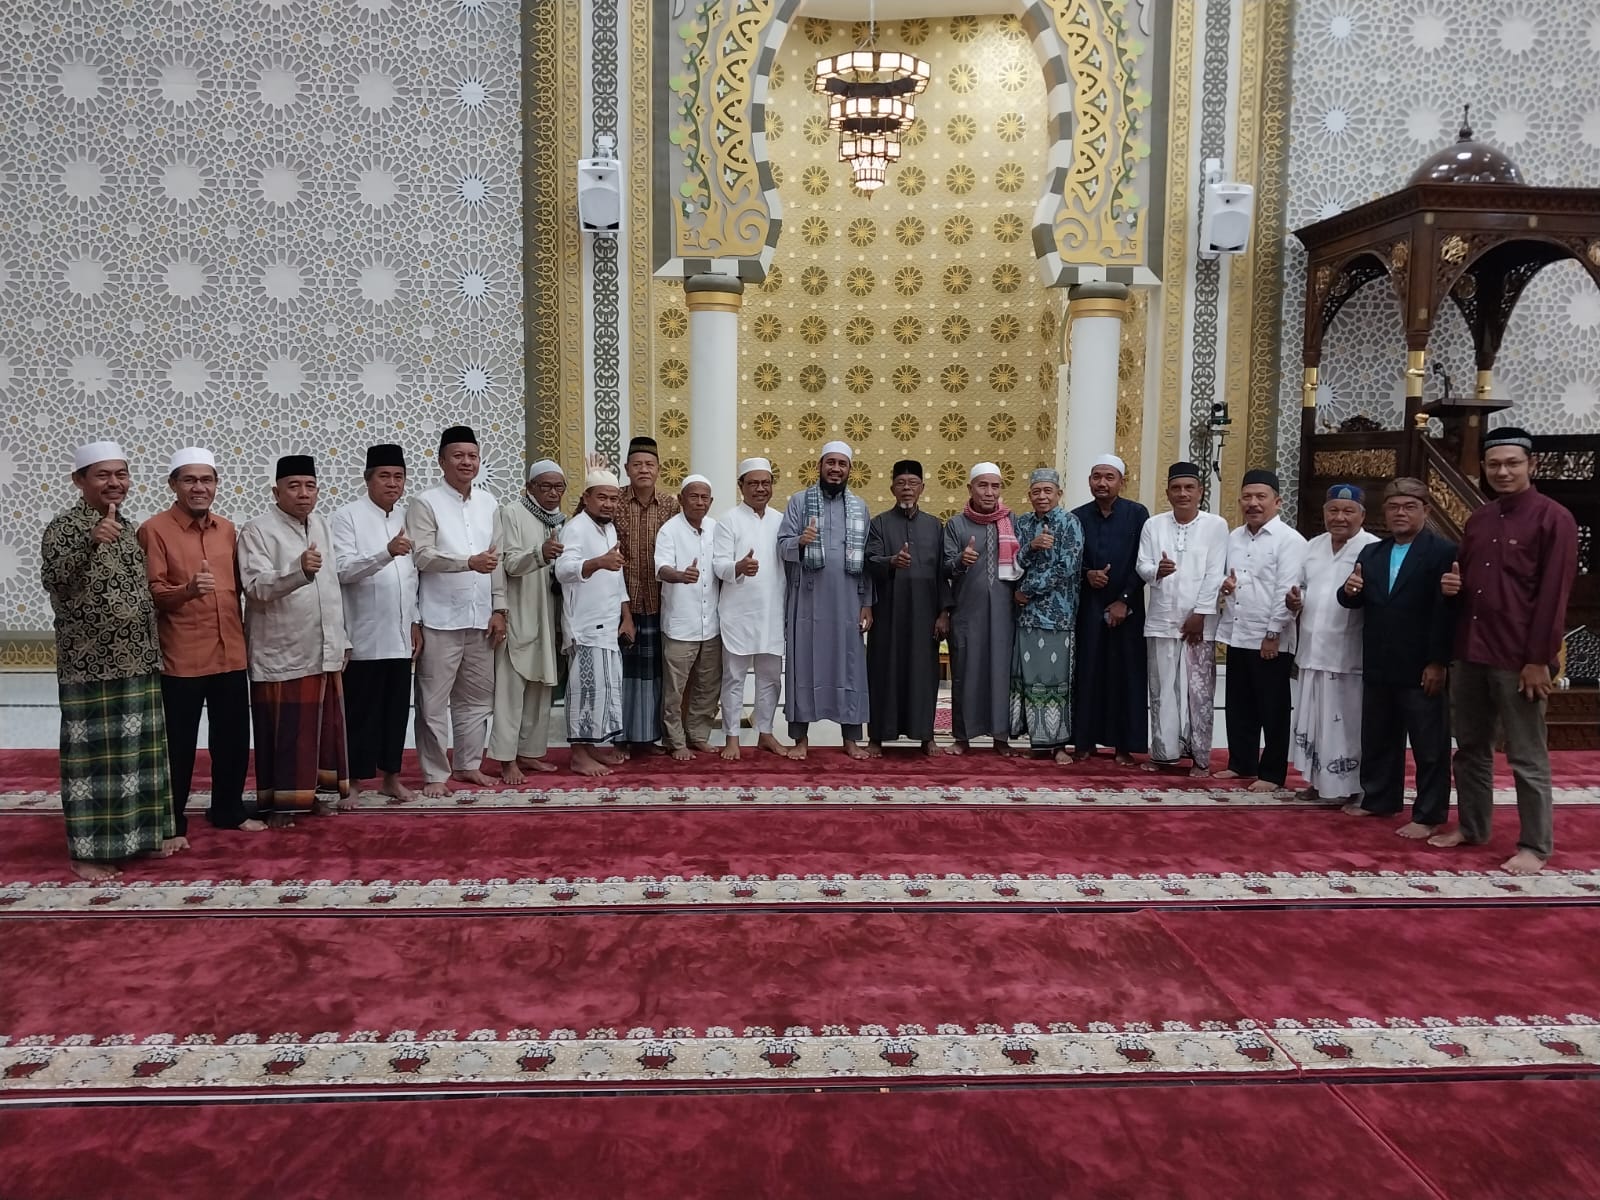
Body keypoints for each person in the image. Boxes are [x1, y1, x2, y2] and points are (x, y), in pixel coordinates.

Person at [1431, 427, 1579, 874]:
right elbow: (1472, 585)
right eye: (1495, 464)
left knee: (1526, 755)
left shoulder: (1554, 519)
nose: (1503, 471)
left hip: (1519, 659)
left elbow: (1554, 596)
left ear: (1531, 466)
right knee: (1470, 747)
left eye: (1512, 463)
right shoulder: (1480, 519)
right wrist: (1452, 589)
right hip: (1471, 651)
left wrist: (1538, 661)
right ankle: (1473, 828)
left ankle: (1535, 846)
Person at [41, 441, 177, 878]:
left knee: (139, 758)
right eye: (103, 475)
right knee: (93, 762)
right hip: (90, 666)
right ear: (80, 481)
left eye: (121, 474)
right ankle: (88, 853)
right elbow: (55, 581)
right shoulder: (65, 528)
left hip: (138, 659)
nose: (114, 483)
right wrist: (87, 542)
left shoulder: (130, 527)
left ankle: (140, 838)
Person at [138, 446, 262, 838]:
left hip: (230, 651)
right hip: (182, 655)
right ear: (173, 484)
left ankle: (227, 810)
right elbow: (152, 593)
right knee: (178, 745)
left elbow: (244, 588)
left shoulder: (227, 529)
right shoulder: (154, 529)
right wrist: (188, 591)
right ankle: (171, 821)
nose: (198, 488)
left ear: (216, 485)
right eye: (189, 480)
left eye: (206, 480)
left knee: (233, 740)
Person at [1336, 477, 1455, 837]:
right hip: (1378, 661)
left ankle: (1429, 815)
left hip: (1421, 665)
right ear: (1384, 512)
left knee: (1428, 744)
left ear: (1425, 511)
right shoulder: (1373, 552)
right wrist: (1349, 591)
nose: (1400, 513)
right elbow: (1354, 599)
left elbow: (1446, 612)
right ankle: (1380, 799)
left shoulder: (1443, 552)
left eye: (1409, 507)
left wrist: (1438, 662)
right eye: (1394, 507)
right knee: (1379, 737)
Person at [237, 455, 351, 823]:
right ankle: (280, 806)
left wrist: (342, 638)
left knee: (315, 732)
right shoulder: (257, 530)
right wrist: (297, 571)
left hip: (322, 646)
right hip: (281, 649)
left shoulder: (321, 524)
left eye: (310, 486)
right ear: (276, 491)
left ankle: (305, 797)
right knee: (284, 733)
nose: (303, 494)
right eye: (294, 486)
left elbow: (331, 586)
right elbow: (255, 587)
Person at [408, 425, 499, 797]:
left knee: (477, 698)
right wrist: (467, 563)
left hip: (480, 617)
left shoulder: (490, 503)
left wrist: (501, 608)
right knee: (432, 702)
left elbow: (499, 560)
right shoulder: (424, 503)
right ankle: (434, 773)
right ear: (442, 460)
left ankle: (468, 765)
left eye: (472, 455)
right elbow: (422, 555)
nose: (467, 462)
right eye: (458, 455)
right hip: (440, 619)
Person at [330, 443, 420, 804]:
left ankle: (391, 778)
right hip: (364, 635)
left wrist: (416, 621)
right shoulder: (346, 516)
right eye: (384, 476)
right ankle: (352, 782)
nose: (392, 484)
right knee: (361, 714)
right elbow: (343, 570)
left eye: (398, 477)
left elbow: (414, 578)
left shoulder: (407, 518)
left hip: (400, 635)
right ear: (368, 479)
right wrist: (385, 552)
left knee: (396, 712)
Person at [777, 441, 875, 760]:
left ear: (849, 470)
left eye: (842, 464)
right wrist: (800, 541)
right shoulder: (799, 501)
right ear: (819, 466)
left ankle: (850, 738)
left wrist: (867, 604)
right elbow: (782, 545)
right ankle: (800, 740)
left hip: (848, 600)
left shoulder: (860, 507)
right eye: (830, 463)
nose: (835, 469)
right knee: (804, 666)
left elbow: (868, 561)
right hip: (808, 600)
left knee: (850, 667)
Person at [1286, 483, 1379, 804]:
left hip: (1349, 656)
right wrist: (1296, 600)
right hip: (1312, 650)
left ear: (1362, 515)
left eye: (1347, 511)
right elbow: (1305, 588)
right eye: (1333, 510)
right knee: (1314, 722)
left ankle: (1354, 788)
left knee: (1346, 725)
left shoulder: (1373, 549)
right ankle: (1319, 782)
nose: (1339, 517)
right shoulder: (1313, 546)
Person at [1216, 468, 1308, 793]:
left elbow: (1288, 588)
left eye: (1261, 497)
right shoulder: (1234, 537)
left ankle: (1271, 773)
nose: (1253, 503)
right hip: (1238, 632)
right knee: (1239, 703)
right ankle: (1241, 762)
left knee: (1273, 707)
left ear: (1277, 501)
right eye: (1247, 497)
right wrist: (1225, 587)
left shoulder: (1290, 541)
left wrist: (1273, 634)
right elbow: (1230, 580)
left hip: (1270, 639)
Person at [1137, 461, 1229, 776]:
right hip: (1162, 618)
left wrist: (1201, 614)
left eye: (1189, 488)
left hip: (1199, 623)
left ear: (1200, 492)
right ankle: (1164, 753)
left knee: (1199, 691)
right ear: (1167, 492)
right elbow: (1143, 565)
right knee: (1162, 688)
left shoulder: (1216, 525)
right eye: (1176, 488)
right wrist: (1156, 572)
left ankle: (1201, 758)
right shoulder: (1154, 525)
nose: (1183, 493)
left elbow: (1215, 573)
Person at [487, 459, 567, 783]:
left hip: (547, 616)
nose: (552, 493)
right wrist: (540, 553)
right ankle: (506, 760)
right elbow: (507, 564)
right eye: (545, 486)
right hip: (518, 614)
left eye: (558, 487)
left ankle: (529, 753)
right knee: (511, 692)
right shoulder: (511, 513)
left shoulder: (559, 520)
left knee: (540, 689)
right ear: (530, 487)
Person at [864, 459, 950, 756]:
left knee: (923, 675)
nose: (907, 489)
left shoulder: (935, 526)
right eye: (901, 483)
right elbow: (869, 560)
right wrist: (891, 561)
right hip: (888, 613)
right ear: (892, 488)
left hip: (925, 613)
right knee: (882, 672)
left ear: (922, 488)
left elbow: (942, 572)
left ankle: (926, 736)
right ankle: (877, 736)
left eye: (913, 483)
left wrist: (943, 613)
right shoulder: (879, 524)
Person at [554, 466, 634, 776]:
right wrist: (598, 562)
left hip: (608, 624)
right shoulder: (575, 528)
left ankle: (589, 749)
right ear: (586, 497)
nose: (609, 504)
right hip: (585, 627)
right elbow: (563, 570)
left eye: (614, 499)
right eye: (602, 498)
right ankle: (578, 756)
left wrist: (626, 616)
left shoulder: (609, 529)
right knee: (585, 691)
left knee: (601, 691)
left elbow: (618, 577)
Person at [1070, 454, 1149, 764]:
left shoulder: (1137, 515)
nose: (1102, 483)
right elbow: (1068, 560)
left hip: (1127, 608)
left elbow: (1144, 561)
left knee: (1124, 674)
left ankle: (1124, 746)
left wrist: (1124, 600)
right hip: (1088, 605)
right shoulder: (1077, 517)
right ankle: (1084, 741)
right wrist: (1086, 574)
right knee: (1088, 672)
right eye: (1096, 477)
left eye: (1109, 477)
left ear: (1121, 481)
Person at [711, 458, 790, 760]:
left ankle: (766, 733)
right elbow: (718, 565)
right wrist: (739, 566)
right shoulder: (728, 520)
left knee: (771, 678)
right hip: (738, 614)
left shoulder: (781, 520)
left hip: (772, 613)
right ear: (741, 486)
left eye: (765, 482)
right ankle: (732, 737)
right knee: (734, 678)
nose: (760, 488)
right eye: (753, 483)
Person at [943, 462, 1020, 756]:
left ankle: (1001, 738)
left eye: (995, 486)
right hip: (967, 614)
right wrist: (961, 560)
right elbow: (944, 567)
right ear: (970, 488)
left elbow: (1023, 562)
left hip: (1004, 614)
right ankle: (963, 738)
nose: (989, 492)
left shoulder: (1012, 521)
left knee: (1001, 674)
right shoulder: (956, 525)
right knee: (966, 674)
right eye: (983, 485)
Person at [1010, 468, 1086, 764]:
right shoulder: (1024, 523)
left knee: (1057, 680)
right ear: (1029, 495)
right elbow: (1014, 561)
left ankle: (1058, 746)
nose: (1042, 496)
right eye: (1036, 492)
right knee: (1032, 681)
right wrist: (1031, 546)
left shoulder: (1070, 523)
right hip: (1027, 616)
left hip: (1058, 616)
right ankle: (1038, 742)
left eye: (1047, 491)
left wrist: (1026, 590)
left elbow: (1066, 567)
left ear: (1058, 494)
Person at [615, 435, 679, 754]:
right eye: (637, 464)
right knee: (622, 674)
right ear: (627, 468)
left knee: (654, 674)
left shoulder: (671, 504)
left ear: (658, 469)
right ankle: (621, 737)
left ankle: (648, 737)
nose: (643, 469)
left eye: (649, 464)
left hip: (658, 601)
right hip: (618, 602)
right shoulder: (613, 500)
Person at [655, 474, 721, 760]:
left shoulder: (717, 529)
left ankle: (698, 735)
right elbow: (661, 569)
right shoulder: (669, 531)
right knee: (675, 690)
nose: (699, 501)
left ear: (711, 501)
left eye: (704, 497)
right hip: (680, 626)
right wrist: (680, 576)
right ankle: (675, 741)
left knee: (707, 687)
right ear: (681, 500)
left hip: (712, 625)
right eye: (693, 496)